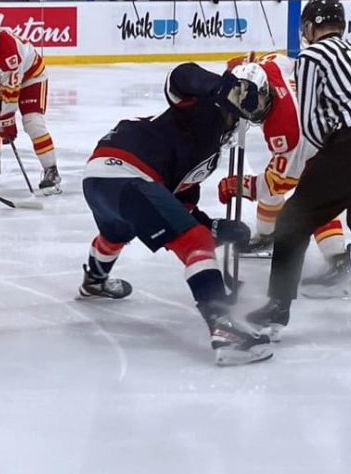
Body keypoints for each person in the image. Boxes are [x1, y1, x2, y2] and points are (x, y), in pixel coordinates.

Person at [243, 0, 351, 343]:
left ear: (308, 27)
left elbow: (310, 122)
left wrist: (326, 164)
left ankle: (277, 309)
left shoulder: (310, 57)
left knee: (293, 218)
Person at [79, 62, 273, 366]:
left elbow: (177, 210)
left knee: (117, 232)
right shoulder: (204, 108)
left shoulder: (205, 156)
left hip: (99, 179)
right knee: (194, 242)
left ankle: (94, 279)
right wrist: (222, 87)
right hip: (129, 172)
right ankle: (225, 329)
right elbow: (181, 76)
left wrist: (214, 227)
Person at [217, 52, 351, 296]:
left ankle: (338, 259)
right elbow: (254, 58)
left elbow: (277, 184)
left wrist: (242, 186)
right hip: (327, 124)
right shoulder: (271, 66)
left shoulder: (285, 131)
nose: (249, 110)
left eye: (253, 102)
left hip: (332, 144)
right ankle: (267, 235)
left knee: (312, 199)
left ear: (264, 93)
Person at [0, 9, 61, 194]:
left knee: (33, 122)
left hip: (31, 77)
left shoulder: (8, 50)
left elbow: (12, 89)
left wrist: (7, 120)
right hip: (0, 80)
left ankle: (51, 171)